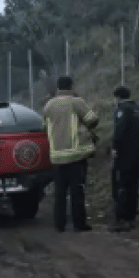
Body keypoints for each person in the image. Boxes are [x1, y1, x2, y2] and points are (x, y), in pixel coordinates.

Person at [42, 75, 100, 232]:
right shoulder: (76, 102)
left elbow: (44, 127)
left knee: (59, 194)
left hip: (57, 157)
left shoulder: (49, 105)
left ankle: (59, 225)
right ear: (71, 86)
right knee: (77, 192)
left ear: (58, 88)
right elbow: (92, 119)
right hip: (75, 156)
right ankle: (79, 224)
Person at [109, 86, 139, 232]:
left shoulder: (123, 110)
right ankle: (131, 218)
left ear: (117, 97)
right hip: (138, 153)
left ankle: (122, 220)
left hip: (125, 155)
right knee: (133, 186)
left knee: (122, 185)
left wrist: (115, 148)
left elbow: (120, 130)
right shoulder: (138, 109)